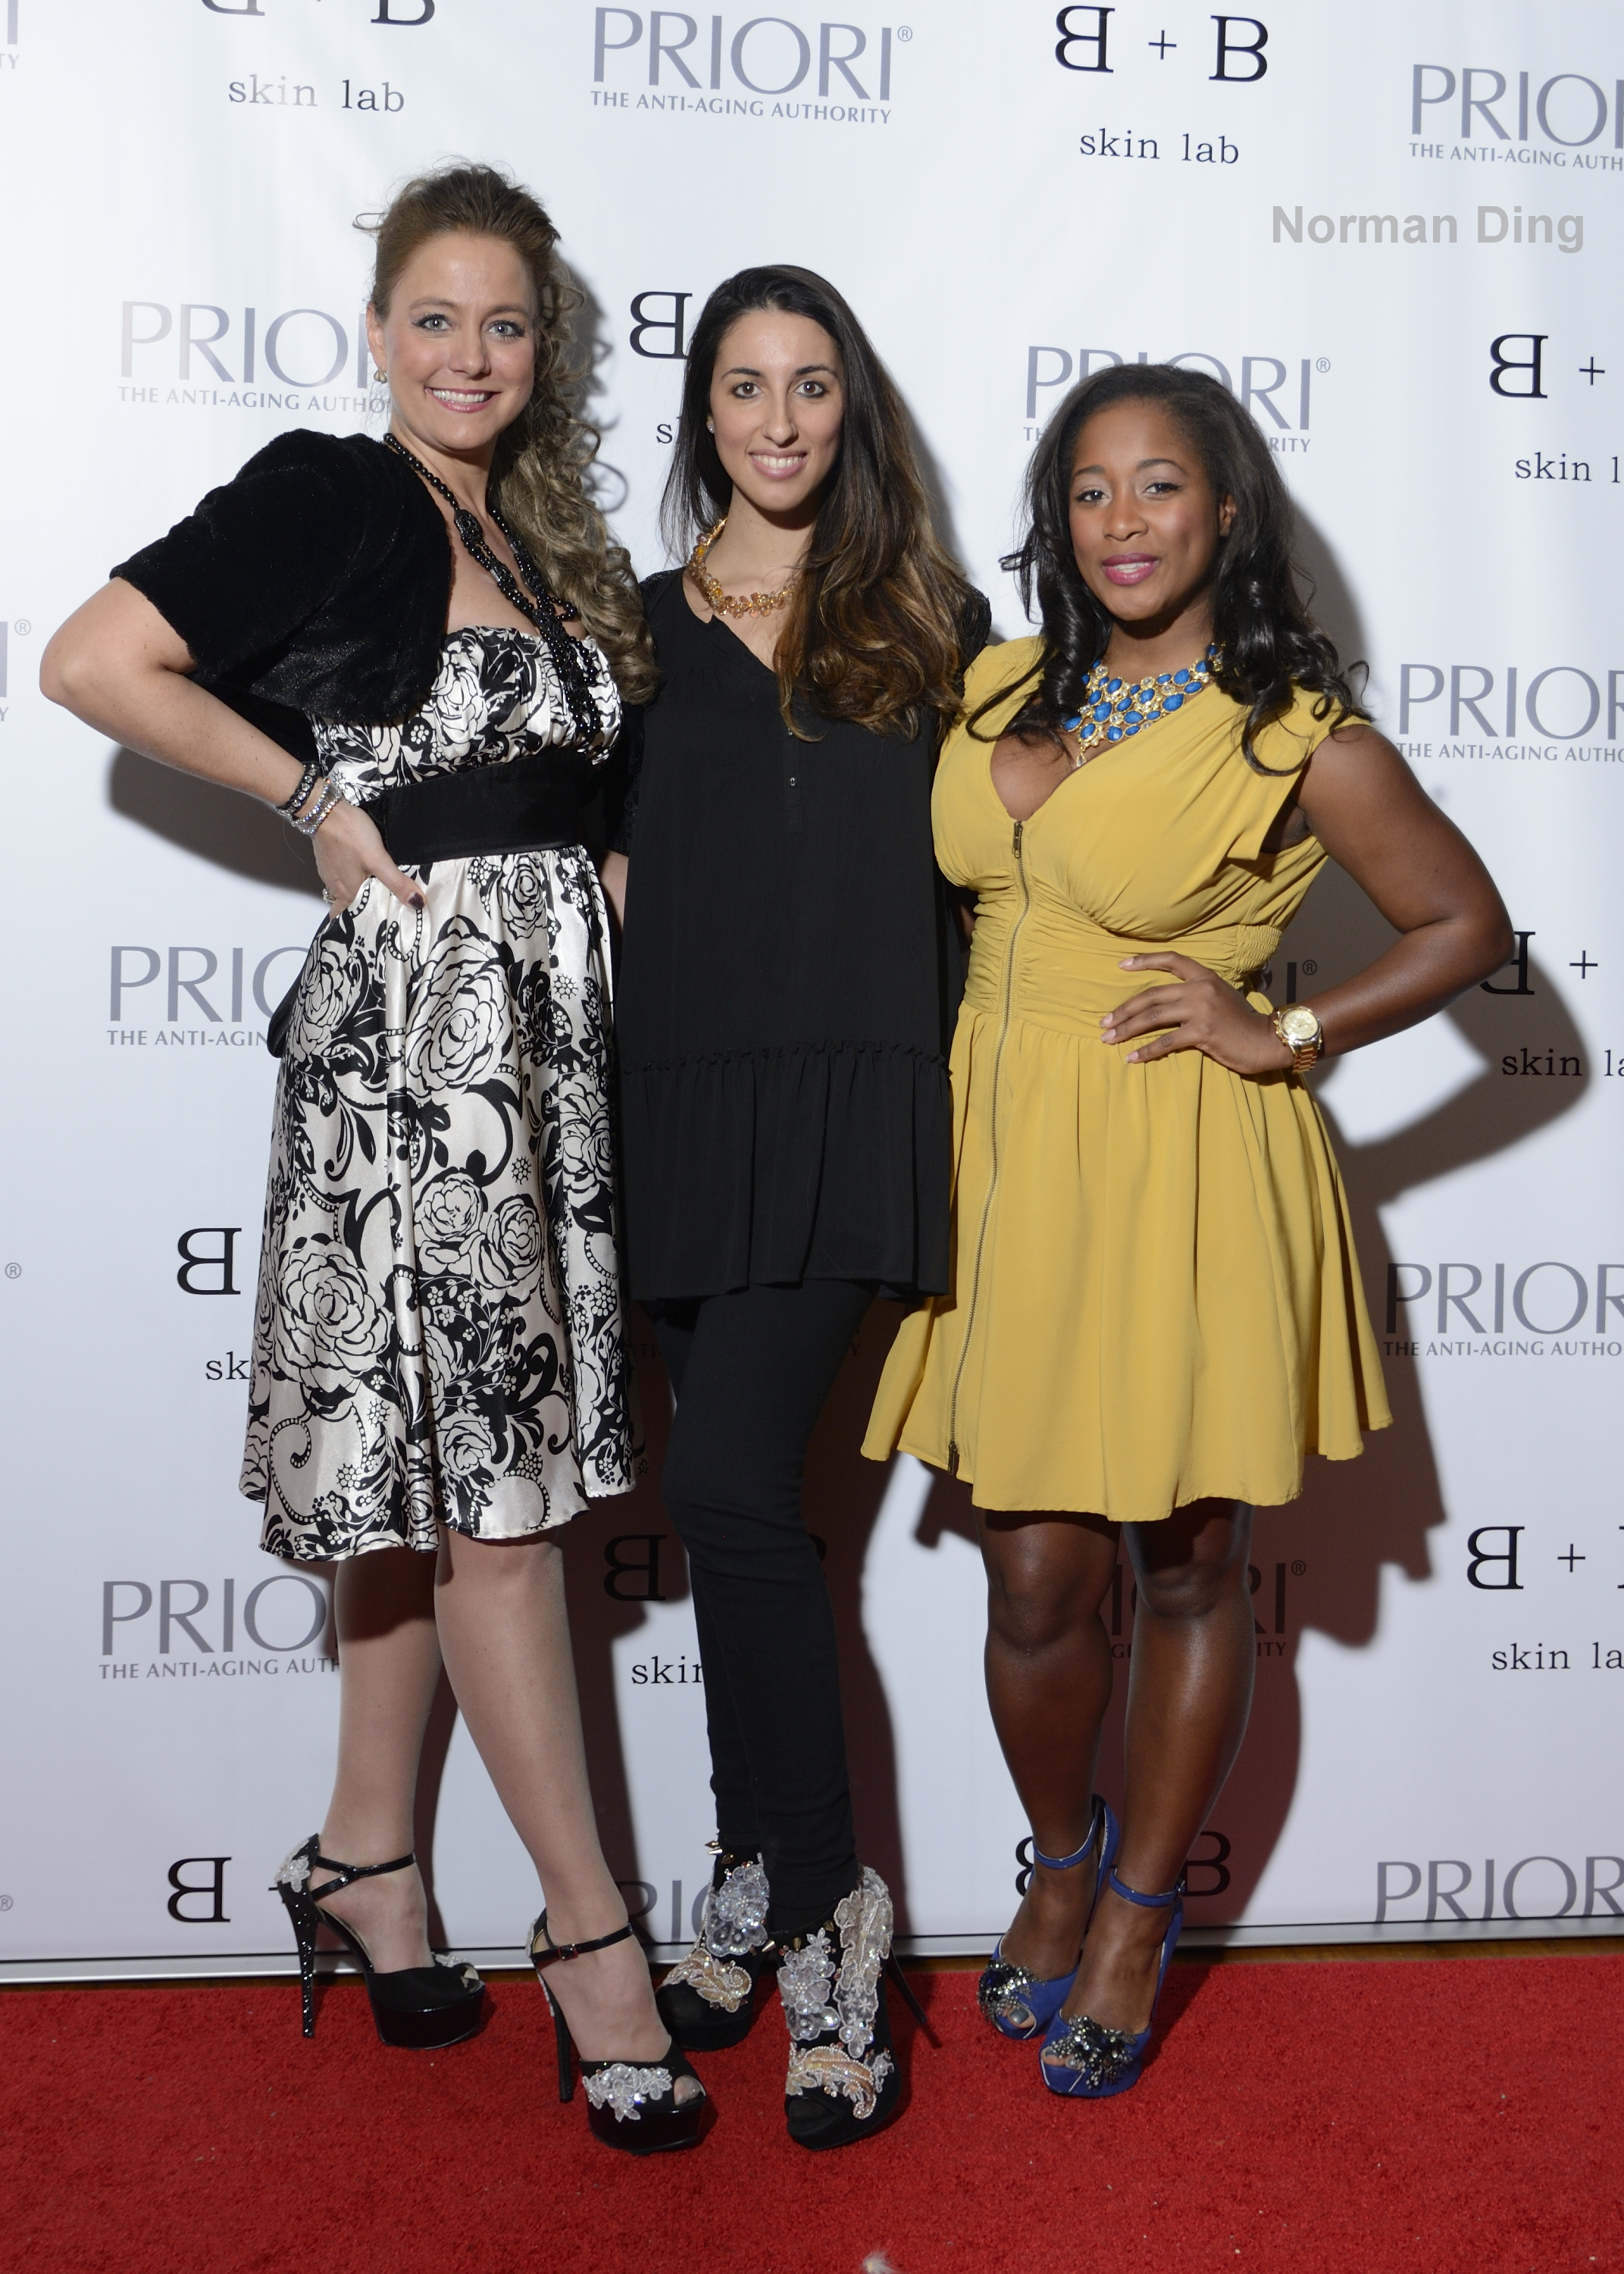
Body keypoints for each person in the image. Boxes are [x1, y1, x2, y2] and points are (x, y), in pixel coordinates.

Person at [42, 164, 705, 2154]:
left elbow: (581, 808)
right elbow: (93, 661)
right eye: (435, 318)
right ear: (378, 330)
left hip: (546, 1055)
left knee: (436, 1488)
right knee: (497, 1505)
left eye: (504, 324)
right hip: (421, 1051)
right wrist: (309, 799)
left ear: (541, 346)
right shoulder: (334, 492)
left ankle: (365, 1863)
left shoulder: (543, 538)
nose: (468, 355)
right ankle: (593, 1940)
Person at [863, 362, 1512, 2099]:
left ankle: (1139, 1914)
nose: (1122, 521)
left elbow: (1462, 924)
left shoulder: (1298, 735)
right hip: (998, 1158)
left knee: (1185, 1563)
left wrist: (1285, 1029)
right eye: (1088, 490)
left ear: (1227, 511)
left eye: (1158, 485)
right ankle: (1060, 1856)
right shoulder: (991, 683)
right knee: (1031, 1572)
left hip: (1180, 1161)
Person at [604, 266, 987, 2149]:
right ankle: (751, 1872)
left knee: (733, 1495)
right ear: (702, 411)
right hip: (671, 1109)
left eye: (810, 384)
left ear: (853, 407)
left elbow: (1009, 870)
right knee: (728, 1510)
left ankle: (832, 1914)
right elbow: (591, 858)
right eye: (745, 386)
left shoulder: (933, 622)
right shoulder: (623, 625)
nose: (777, 420)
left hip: (851, 1110)